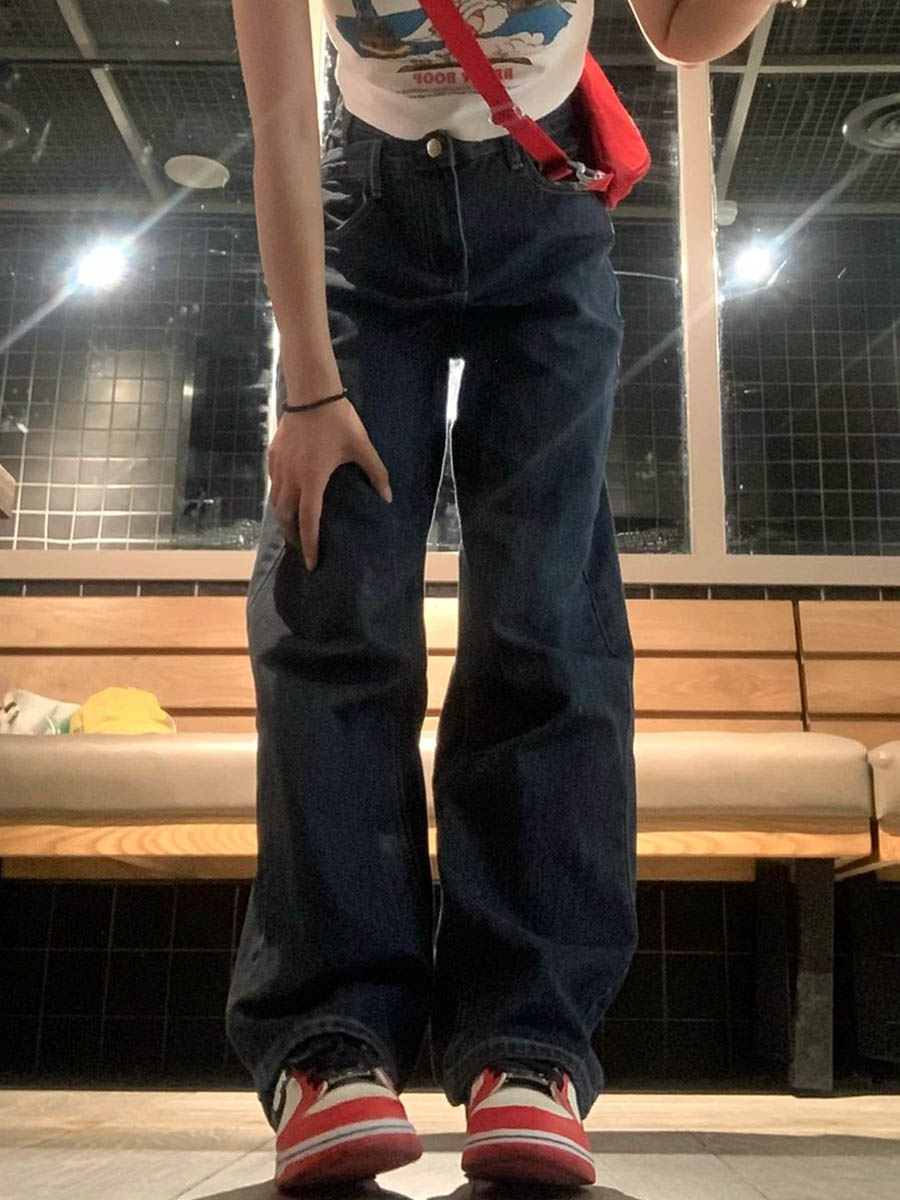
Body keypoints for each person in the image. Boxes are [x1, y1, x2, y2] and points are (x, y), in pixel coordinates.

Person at [223, 0, 770, 1192]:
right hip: (363, 211)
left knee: (547, 617)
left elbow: (685, 34)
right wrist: (307, 391)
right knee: (331, 597)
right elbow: (280, 123)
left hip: (547, 200)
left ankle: (530, 1047)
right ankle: (331, 1041)